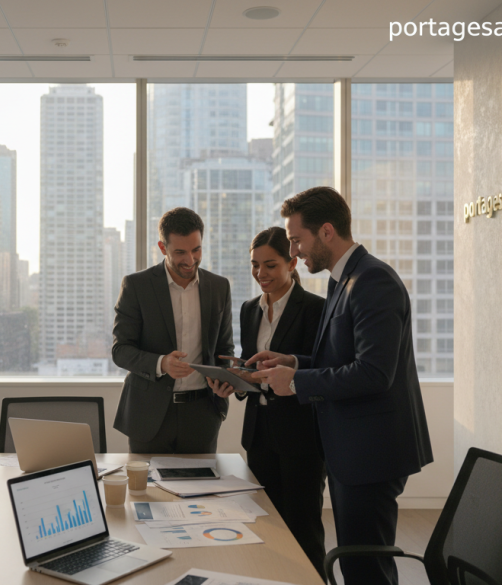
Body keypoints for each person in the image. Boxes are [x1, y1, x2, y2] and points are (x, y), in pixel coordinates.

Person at [247, 187, 433, 585]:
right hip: (352, 448)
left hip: (371, 452)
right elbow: (341, 362)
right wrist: (292, 362)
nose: (294, 252)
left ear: (326, 231)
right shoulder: (342, 280)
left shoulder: (372, 281)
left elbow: (372, 373)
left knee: (366, 567)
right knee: (356, 561)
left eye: (297, 240)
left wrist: (296, 382)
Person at [206, 226, 328, 579]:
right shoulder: (248, 310)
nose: (261, 274)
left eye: (270, 265)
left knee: (303, 528)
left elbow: (318, 368)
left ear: (293, 263)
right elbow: (252, 367)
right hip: (259, 436)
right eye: (255, 265)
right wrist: (234, 383)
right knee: (265, 525)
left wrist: (281, 369)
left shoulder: (315, 309)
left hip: (302, 438)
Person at [112, 207, 234, 454]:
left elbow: (225, 349)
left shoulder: (219, 287)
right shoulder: (137, 286)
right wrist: (161, 363)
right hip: (148, 415)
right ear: (162, 247)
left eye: (196, 250)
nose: (190, 260)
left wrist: (225, 380)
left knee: (201, 491)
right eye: (180, 252)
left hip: (202, 415)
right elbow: (120, 350)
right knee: (148, 492)